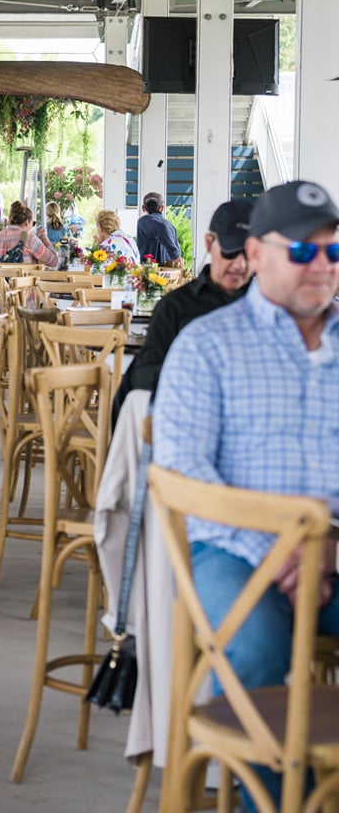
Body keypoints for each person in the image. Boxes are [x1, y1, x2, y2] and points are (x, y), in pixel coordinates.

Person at [154, 180, 339, 812]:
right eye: (302, 251)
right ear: (255, 253)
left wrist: (326, 551)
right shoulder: (208, 344)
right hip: (233, 550)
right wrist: (282, 550)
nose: (322, 265)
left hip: (332, 552)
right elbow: (181, 471)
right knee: (257, 647)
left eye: (333, 251)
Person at [113, 199, 252, 420]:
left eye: (250, 253)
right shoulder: (176, 306)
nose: (240, 264)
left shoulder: (271, 308)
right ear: (209, 243)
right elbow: (142, 377)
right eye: (230, 251)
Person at [0, 201, 59, 267]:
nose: (32, 227)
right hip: (23, 276)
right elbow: (54, 261)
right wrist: (44, 239)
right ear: (27, 222)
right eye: (33, 223)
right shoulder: (30, 239)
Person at [136, 191, 182, 266]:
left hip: (151, 269)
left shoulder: (143, 221)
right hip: (167, 268)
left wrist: (175, 255)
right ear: (162, 208)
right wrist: (177, 256)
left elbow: (159, 227)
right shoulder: (169, 225)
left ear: (143, 208)